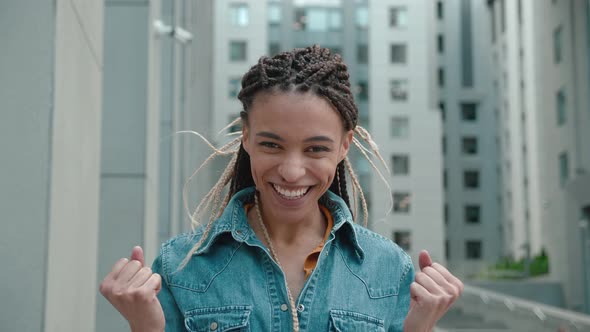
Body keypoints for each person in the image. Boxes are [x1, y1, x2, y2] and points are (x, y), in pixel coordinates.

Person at [100, 45, 463, 332]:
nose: (291, 172)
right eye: (272, 145)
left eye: (316, 149)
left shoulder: (389, 269)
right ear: (245, 136)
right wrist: (144, 326)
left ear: (344, 145)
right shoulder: (182, 265)